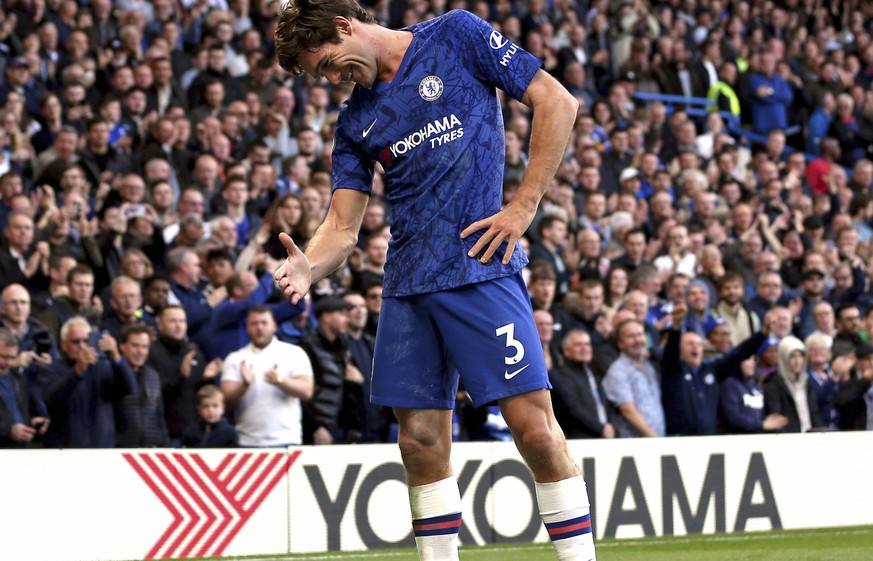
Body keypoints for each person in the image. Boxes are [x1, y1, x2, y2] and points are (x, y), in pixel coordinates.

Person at [273, 3, 592, 561]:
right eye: (320, 75)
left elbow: (557, 100)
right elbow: (343, 228)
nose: (330, 79)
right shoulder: (355, 122)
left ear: (346, 27)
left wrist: (523, 206)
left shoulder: (457, 35)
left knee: (535, 431)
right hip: (406, 286)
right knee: (419, 442)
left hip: (478, 268)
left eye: (327, 62)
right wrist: (310, 265)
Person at [221, 306, 314, 446]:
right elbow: (225, 399)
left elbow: (307, 391)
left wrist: (280, 381)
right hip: (248, 442)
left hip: (287, 440)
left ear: (274, 326)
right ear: (247, 327)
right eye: (254, 323)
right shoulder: (235, 358)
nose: (259, 328)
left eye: (264, 323)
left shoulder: (294, 353)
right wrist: (244, 385)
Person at [38, 316, 136, 447]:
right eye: (76, 342)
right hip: (65, 450)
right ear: (63, 345)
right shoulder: (51, 370)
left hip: (101, 447)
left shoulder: (103, 367)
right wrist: (78, 370)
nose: (82, 346)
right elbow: (51, 400)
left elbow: (129, 388)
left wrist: (115, 355)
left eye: (86, 341)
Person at [602, 318, 665, 437]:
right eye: (631, 336)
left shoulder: (649, 366)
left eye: (640, 335)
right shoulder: (618, 370)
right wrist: (654, 438)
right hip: (635, 446)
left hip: (657, 444)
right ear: (621, 343)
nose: (638, 340)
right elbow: (627, 410)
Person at [548, 329, 616, 439]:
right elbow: (572, 408)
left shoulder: (594, 375)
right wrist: (601, 429)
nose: (584, 348)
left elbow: (607, 405)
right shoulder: (558, 376)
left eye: (587, 344)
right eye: (578, 345)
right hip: (578, 440)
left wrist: (611, 428)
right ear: (566, 351)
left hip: (603, 438)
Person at [114, 324, 169, 447]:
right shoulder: (112, 373)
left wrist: (166, 447)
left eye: (144, 347)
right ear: (122, 346)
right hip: (120, 450)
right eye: (135, 346)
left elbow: (159, 416)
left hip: (149, 450)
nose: (140, 351)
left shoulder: (153, 375)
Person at [762, 336, 825, 433]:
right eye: (792, 356)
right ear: (783, 358)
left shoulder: (806, 382)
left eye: (801, 356)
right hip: (789, 440)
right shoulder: (773, 384)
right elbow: (777, 419)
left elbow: (814, 414)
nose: (798, 361)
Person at [0, 328, 49, 447]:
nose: (7, 363)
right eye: (2, 357)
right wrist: (8, 431)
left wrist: (32, 421)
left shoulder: (18, 378)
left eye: (12, 358)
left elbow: (20, 411)